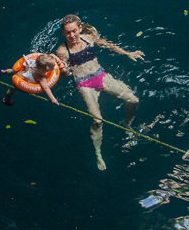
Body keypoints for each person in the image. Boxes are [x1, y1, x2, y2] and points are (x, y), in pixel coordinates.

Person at [55, 14, 143, 170]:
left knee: (133, 100)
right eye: (68, 32)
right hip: (83, 84)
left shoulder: (88, 38)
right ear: (63, 32)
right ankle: (98, 153)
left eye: (74, 31)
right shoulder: (62, 51)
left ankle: (126, 124)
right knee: (97, 121)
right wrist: (63, 70)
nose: (72, 35)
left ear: (80, 28)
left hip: (100, 75)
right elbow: (66, 74)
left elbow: (109, 46)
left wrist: (127, 53)